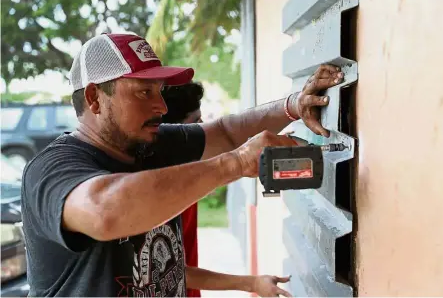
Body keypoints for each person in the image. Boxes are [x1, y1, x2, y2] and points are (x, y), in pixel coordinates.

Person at [21, 33, 344, 297]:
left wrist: (292, 105)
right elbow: (105, 213)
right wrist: (236, 163)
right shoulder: (52, 168)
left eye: (160, 91)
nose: (160, 106)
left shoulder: (152, 144)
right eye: (144, 91)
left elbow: (226, 131)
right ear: (94, 98)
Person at [161, 82, 204, 297]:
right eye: (196, 123)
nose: (204, 129)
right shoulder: (166, 191)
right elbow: (167, 270)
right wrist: (251, 284)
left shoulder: (188, 175)